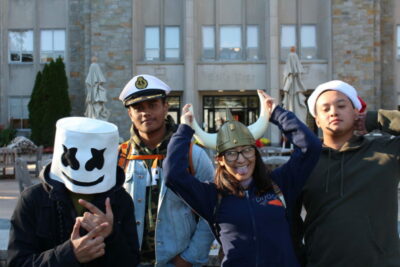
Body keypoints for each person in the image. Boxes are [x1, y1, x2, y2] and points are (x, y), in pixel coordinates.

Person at [163, 90, 321, 266]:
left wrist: (277, 113)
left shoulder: (280, 183)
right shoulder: (212, 195)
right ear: (220, 160)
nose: (240, 159)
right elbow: (173, 175)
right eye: (231, 153)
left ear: (256, 152)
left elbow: (310, 146)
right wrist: (184, 130)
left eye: (247, 150)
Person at [7, 117, 140, 267]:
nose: (83, 166)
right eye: (73, 158)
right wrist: (70, 254)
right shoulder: (33, 199)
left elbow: (131, 262)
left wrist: (111, 234)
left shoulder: (120, 200)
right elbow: (17, 262)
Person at [295, 80, 400, 266]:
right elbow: (290, 221)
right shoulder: (303, 163)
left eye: (341, 105)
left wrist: (375, 119)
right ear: (317, 120)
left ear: (356, 112)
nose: (334, 112)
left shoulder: (387, 151)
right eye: (325, 109)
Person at [118, 74, 215, 267]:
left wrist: (189, 259)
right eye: (138, 108)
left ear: (166, 107)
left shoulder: (192, 155)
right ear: (130, 114)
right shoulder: (119, 158)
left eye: (152, 105)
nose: (145, 113)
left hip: (179, 263)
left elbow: (212, 210)